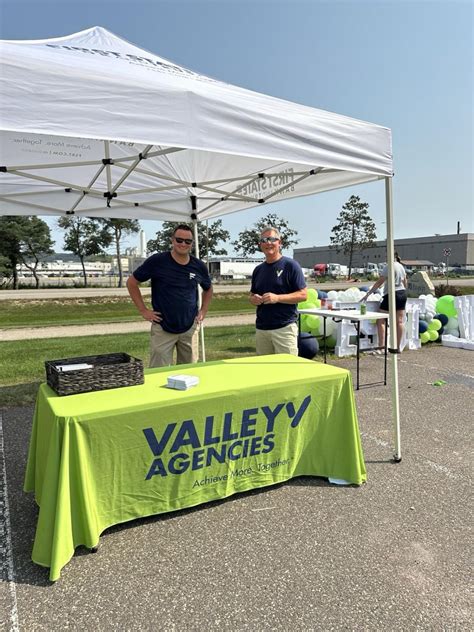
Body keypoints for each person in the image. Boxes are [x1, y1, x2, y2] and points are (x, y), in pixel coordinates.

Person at [127, 224, 213, 367]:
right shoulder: (158, 261)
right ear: (172, 240)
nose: (183, 244)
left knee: (189, 372)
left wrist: (203, 311)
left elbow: (208, 289)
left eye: (188, 241)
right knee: (159, 373)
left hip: (189, 328)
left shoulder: (198, 266)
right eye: (179, 240)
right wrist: (144, 310)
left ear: (192, 244)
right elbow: (131, 283)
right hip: (162, 328)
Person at [250, 226, 307, 356]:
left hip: (284, 328)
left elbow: (303, 295)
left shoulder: (290, 265)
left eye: (272, 239)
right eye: (264, 240)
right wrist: (254, 299)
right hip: (262, 329)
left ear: (279, 243)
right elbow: (252, 295)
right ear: (260, 245)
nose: (268, 243)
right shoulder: (258, 270)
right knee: (265, 372)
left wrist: (277, 298)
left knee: (288, 371)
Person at [361, 252, 407, 353]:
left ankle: (381, 347)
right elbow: (405, 281)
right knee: (399, 321)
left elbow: (379, 282)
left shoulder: (388, 267)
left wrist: (368, 293)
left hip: (391, 294)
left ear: (392, 256)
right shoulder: (401, 266)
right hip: (402, 293)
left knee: (381, 320)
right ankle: (397, 347)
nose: (386, 258)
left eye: (387, 256)